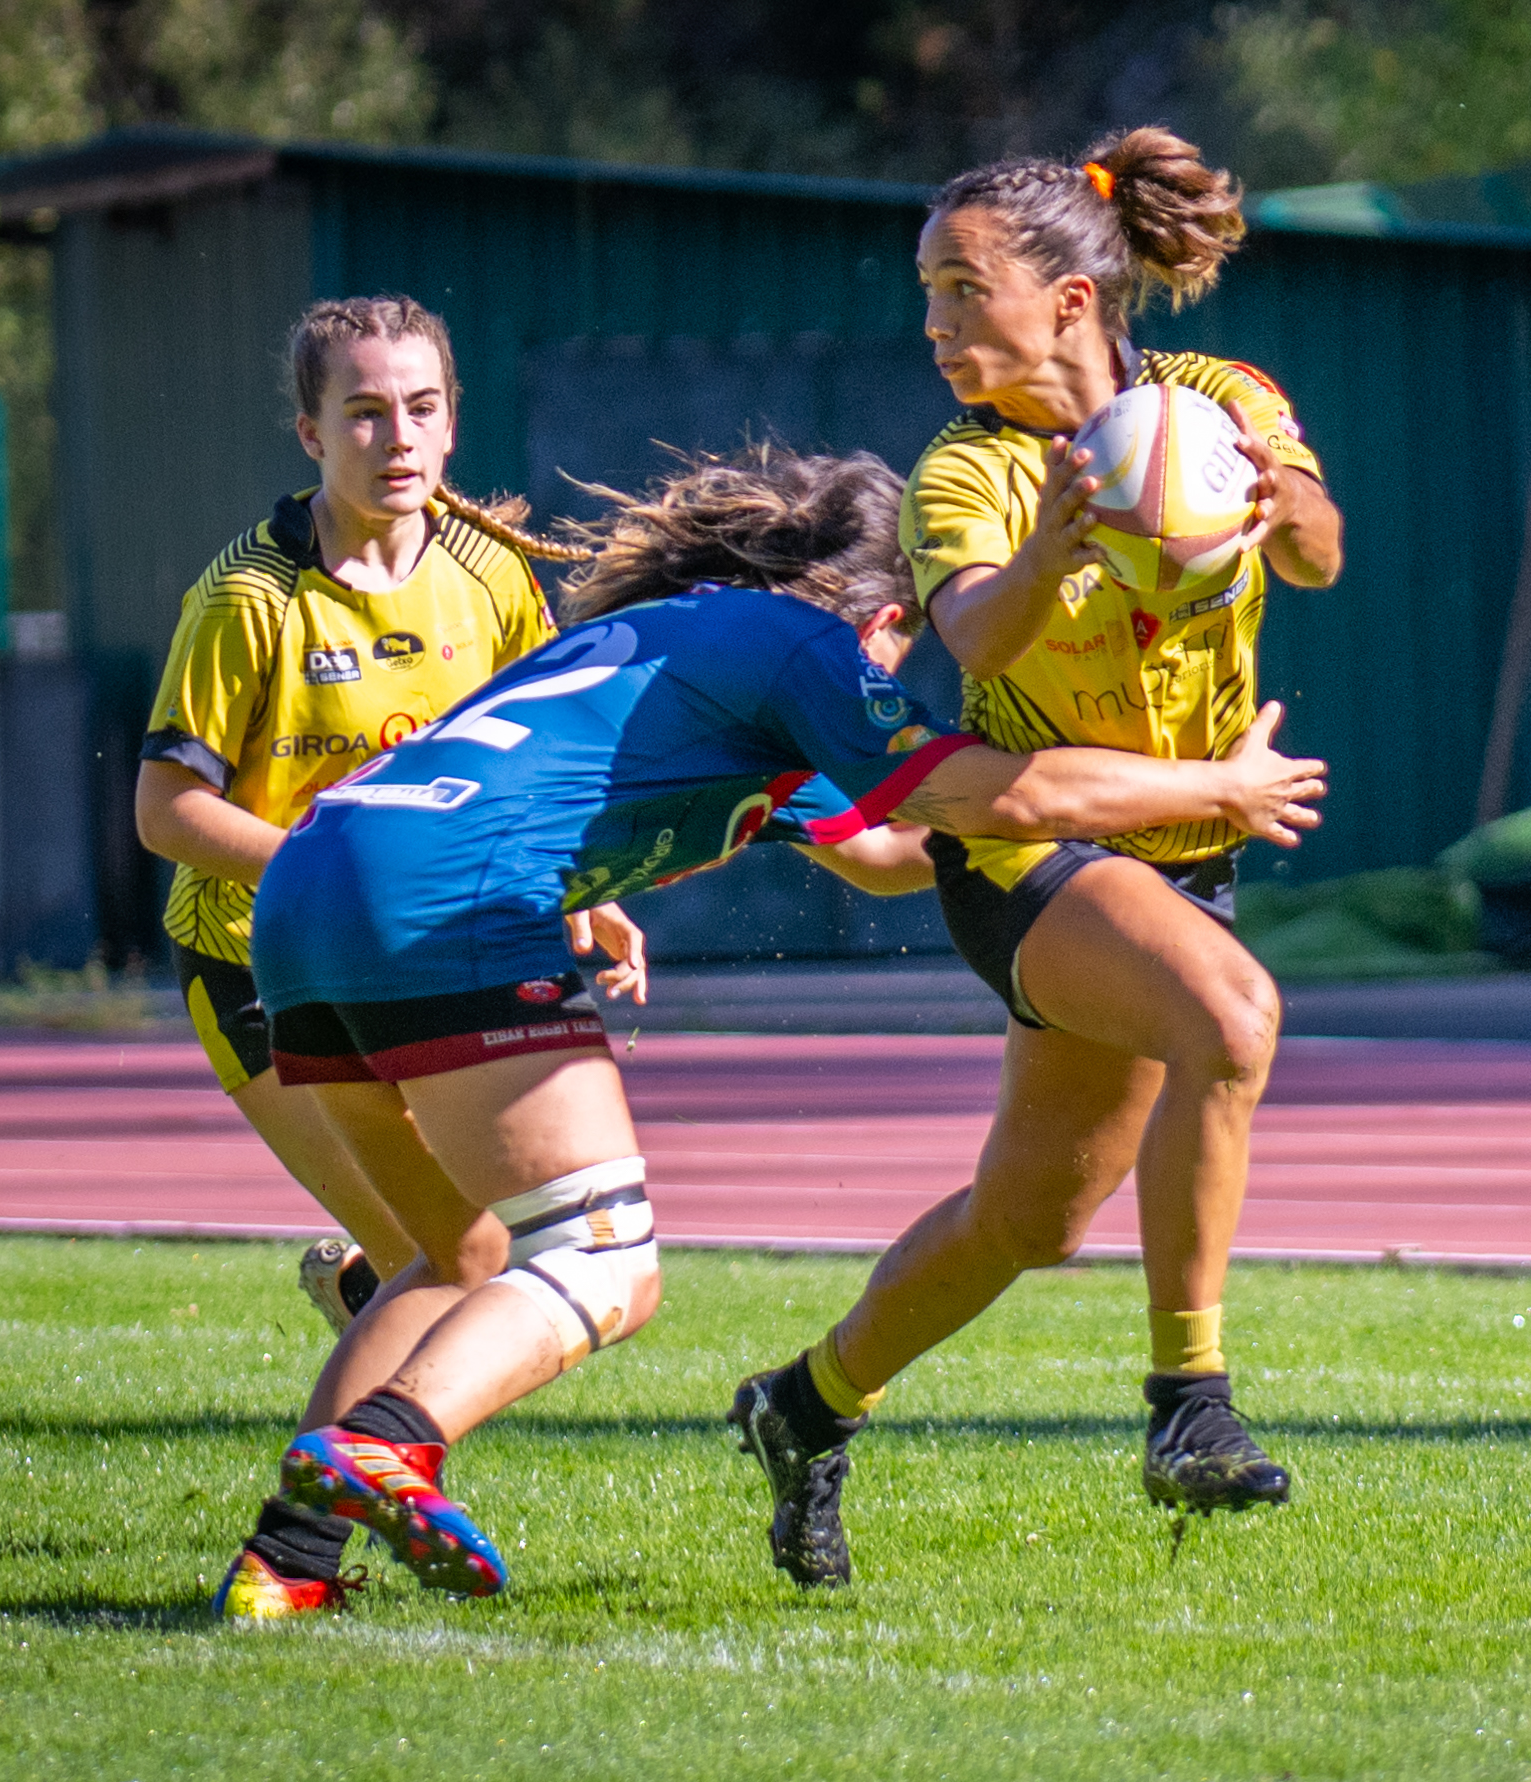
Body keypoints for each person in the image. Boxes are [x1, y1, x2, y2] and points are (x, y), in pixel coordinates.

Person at [209, 447, 1326, 1616]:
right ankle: (393, 1439)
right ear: (883, 621)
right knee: (601, 1257)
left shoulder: (682, 643)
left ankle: (285, 1566)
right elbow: (998, 796)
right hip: (443, 902)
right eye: (905, 650)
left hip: (305, 891)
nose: (895, 676)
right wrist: (1217, 791)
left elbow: (892, 854)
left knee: (455, 1258)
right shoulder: (802, 651)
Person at [729, 125, 1346, 1587]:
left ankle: (803, 1404)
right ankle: (1189, 1403)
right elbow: (977, 638)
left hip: (1179, 853)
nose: (936, 324)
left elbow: (1319, 554)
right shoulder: (968, 469)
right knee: (1232, 1016)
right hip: (1026, 852)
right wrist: (1054, 548)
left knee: (1033, 1217)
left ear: (1071, 299)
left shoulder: (1222, 400)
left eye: (963, 290)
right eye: (928, 293)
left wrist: (1284, 499)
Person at [134, 296, 583, 1334]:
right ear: (312, 434)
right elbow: (166, 811)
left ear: (453, 422)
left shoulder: (493, 576)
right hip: (264, 970)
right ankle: (360, 1414)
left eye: (422, 408)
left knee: (507, 1251)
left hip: (423, 956)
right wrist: (337, 867)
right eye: (366, 413)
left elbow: (541, 768)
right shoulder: (249, 597)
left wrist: (584, 891)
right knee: (458, 1259)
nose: (399, 438)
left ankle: (363, 1318)